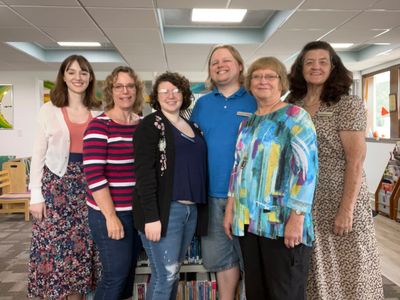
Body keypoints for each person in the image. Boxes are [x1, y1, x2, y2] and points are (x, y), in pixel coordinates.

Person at [288, 41, 384, 300]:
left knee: (348, 269)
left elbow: (356, 160)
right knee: (312, 268)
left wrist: (347, 209)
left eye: (322, 61)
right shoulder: (292, 103)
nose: (315, 67)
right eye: (309, 62)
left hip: (339, 197)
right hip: (304, 201)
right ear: (300, 68)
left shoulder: (347, 104)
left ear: (333, 67)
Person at [224, 57, 318, 300]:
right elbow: (238, 168)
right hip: (249, 224)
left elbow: (306, 172)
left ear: (281, 83)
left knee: (283, 293)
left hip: (282, 224)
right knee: (256, 292)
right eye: (256, 76)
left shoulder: (295, 116)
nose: (262, 81)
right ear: (249, 83)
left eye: (270, 76)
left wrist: (297, 219)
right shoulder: (247, 123)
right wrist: (230, 210)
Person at [28, 55, 102, 300]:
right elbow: (38, 155)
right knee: (58, 252)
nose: (77, 77)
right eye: (71, 72)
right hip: (56, 189)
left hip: (90, 188)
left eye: (83, 72)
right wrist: (35, 196)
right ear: (63, 76)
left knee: (82, 252)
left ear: (90, 77)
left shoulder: (99, 110)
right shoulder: (48, 110)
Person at [133, 71, 208, 300]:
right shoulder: (151, 125)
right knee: (167, 276)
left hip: (189, 210)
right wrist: (151, 217)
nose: (170, 95)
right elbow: (144, 174)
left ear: (184, 94)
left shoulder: (192, 126)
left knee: (168, 275)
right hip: (165, 212)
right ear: (156, 96)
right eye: (164, 91)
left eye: (175, 90)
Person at [190, 44, 257, 299]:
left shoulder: (256, 100)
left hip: (248, 198)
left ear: (240, 65)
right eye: (214, 62)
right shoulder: (202, 104)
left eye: (226, 60)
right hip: (210, 195)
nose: (220, 65)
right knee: (223, 262)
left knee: (252, 262)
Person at [83, 66, 144, 300]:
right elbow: (95, 176)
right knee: (115, 275)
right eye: (119, 86)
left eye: (130, 86)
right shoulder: (100, 126)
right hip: (108, 213)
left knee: (128, 274)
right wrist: (111, 217)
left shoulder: (142, 125)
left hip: (135, 213)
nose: (125, 91)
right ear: (111, 91)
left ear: (137, 90)